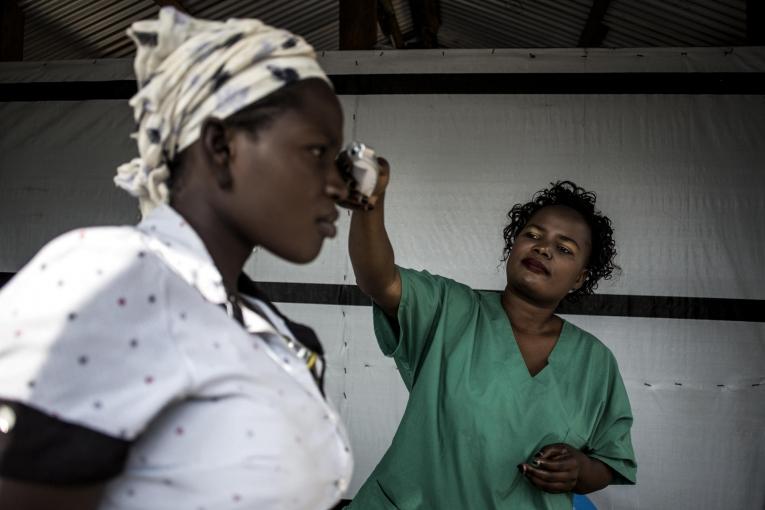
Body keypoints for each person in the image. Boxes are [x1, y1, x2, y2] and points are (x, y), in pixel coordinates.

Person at [0, 8, 353, 510]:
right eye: (317, 152)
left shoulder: (278, 335)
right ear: (220, 146)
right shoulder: (111, 281)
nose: (338, 186)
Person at [347, 174, 637, 509]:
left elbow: (610, 462)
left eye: (563, 248)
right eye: (532, 235)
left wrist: (580, 469)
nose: (543, 248)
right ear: (514, 245)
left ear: (580, 278)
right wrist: (369, 198)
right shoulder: (448, 309)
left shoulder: (594, 362)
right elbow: (378, 279)